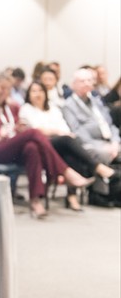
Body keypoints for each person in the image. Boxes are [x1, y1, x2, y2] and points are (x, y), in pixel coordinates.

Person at [0, 74, 94, 219]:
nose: (3, 91)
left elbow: (14, 129)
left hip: (10, 148)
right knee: (33, 132)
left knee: (32, 148)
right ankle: (65, 172)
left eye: (7, 88)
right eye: (1, 87)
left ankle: (35, 200)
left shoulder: (12, 108)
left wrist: (16, 130)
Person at [20, 81, 117, 211]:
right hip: (42, 145)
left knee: (71, 152)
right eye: (34, 91)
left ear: (45, 93)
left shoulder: (53, 109)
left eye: (40, 90)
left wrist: (58, 132)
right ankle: (97, 167)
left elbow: (64, 128)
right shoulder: (26, 109)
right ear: (28, 94)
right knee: (68, 141)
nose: (38, 94)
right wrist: (56, 132)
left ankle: (72, 196)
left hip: (60, 143)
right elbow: (37, 130)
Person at [62, 67, 121, 165]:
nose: (86, 83)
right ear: (74, 85)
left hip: (110, 141)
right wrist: (103, 146)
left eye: (89, 80)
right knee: (102, 153)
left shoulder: (97, 101)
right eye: (82, 81)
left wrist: (115, 142)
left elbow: (110, 124)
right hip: (91, 144)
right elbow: (77, 131)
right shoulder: (68, 105)